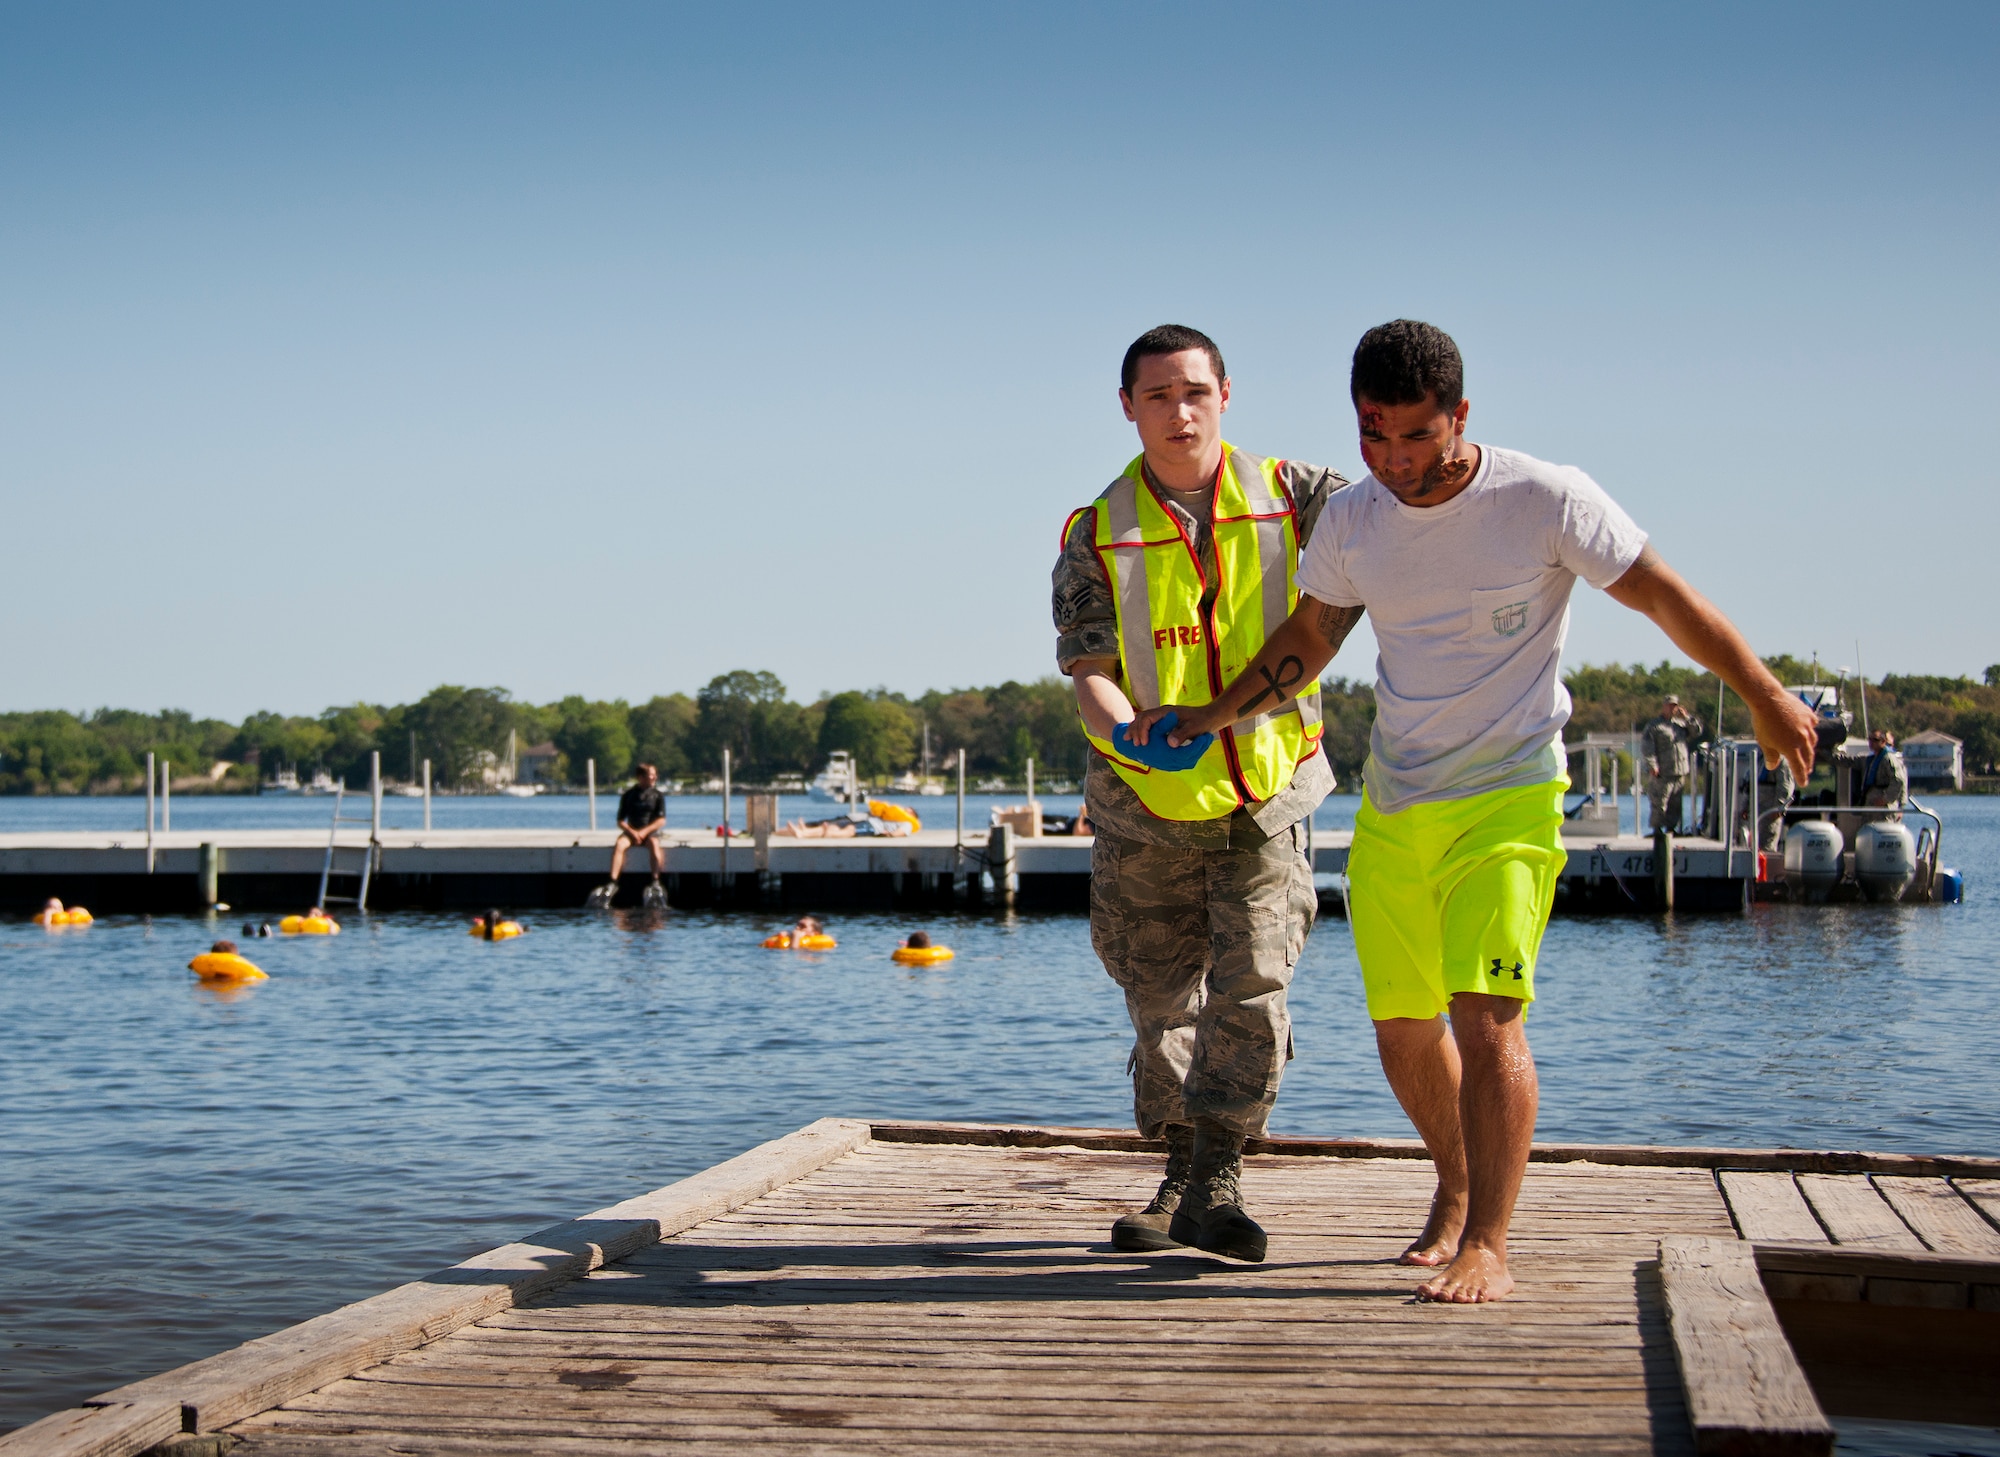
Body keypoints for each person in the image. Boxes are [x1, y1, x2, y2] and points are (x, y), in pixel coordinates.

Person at [1135, 319, 1815, 1300]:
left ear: (1459, 416)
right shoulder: (1356, 521)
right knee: (1402, 1029)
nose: (1395, 459)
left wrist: (1760, 690)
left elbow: (1661, 596)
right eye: (1374, 435)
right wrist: (1209, 711)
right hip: (1397, 798)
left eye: (1416, 435)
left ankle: (1487, 1240)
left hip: (1508, 793)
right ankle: (1453, 1187)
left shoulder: (1542, 498)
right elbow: (1308, 638)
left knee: (1486, 1015)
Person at [1053, 324, 1350, 1263]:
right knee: (1158, 997)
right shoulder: (1095, 529)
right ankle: (1176, 1171)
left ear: (1227, 393)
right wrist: (1124, 731)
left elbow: (1400, 546)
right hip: (1143, 806)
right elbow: (1089, 673)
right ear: (1127, 407)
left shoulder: (1305, 500)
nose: (1178, 413)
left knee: (1255, 985)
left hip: (1268, 792)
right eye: (1157, 397)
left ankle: (1221, 1174)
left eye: (1195, 392)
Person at [1639, 696, 1705, 834]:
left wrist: (1687, 717)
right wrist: (1652, 765)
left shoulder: (1680, 725)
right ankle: (1657, 830)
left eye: (1675, 705)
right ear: (1664, 706)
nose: (1672, 708)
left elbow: (1696, 732)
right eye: (1670, 705)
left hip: (1679, 770)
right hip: (1663, 771)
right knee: (1659, 801)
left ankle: (1671, 829)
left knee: (1675, 803)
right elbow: (1647, 747)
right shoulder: (1655, 726)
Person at [604, 763, 667, 892]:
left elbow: (661, 820)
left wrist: (643, 833)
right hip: (631, 832)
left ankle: (655, 880)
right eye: (651, 775)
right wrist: (632, 833)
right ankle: (613, 881)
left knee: (655, 844)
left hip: (649, 833)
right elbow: (620, 821)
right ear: (641, 777)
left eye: (655, 775)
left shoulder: (658, 795)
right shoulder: (629, 795)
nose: (654, 777)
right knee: (620, 844)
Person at [1861, 729, 1908, 811]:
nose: (1871, 742)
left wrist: (1886, 799)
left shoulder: (1890, 759)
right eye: (1870, 739)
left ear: (1883, 741)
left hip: (1885, 807)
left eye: (1875, 740)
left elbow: (1899, 781)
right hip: (1871, 805)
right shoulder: (1872, 759)